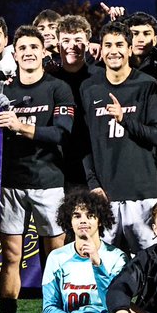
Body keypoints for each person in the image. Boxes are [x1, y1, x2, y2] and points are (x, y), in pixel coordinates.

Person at [0, 26, 76, 313]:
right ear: (14, 52)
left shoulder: (58, 88)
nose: (27, 52)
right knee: (10, 256)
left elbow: (62, 133)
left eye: (33, 47)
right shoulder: (1, 90)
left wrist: (20, 126)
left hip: (48, 183)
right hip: (11, 183)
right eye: (21, 47)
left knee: (55, 257)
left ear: (43, 52)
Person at [10, 189, 131, 313]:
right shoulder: (57, 258)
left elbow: (115, 302)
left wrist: (97, 263)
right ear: (69, 220)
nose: (83, 221)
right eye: (77, 216)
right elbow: (49, 309)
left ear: (100, 220)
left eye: (90, 215)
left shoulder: (117, 257)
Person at [79, 23, 157, 254]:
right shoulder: (89, 87)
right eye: (108, 45)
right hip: (105, 194)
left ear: (129, 49)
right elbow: (84, 143)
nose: (113, 50)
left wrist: (125, 120)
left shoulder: (147, 85)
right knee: (104, 264)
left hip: (142, 193)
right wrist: (93, 184)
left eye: (119, 45)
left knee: (149, 263)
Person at [50, 14, 100, 189]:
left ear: (87, 43)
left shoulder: (100, 78)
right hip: (59, 169)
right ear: (57, 45)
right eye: (66, 40)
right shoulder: (49, 80)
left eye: (78, 39)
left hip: (97, 167)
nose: (72, 46)